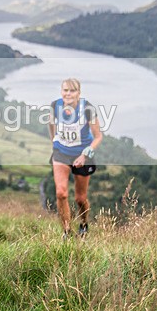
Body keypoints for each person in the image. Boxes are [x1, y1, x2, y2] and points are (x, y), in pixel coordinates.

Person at [47, 78, 103, 240]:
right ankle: (66, 231)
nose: (68, 94)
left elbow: (98, 137)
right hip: (61, 153)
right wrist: (54, 141)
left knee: (80, 198)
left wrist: (84, 155)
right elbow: (51, 124)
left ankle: (84, 224)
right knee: (61, 193)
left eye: (72, 91)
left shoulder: (87, 108)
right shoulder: (55, 106)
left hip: (82, 154)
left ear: (79, 93)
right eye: (65, 90)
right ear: (61, 91)